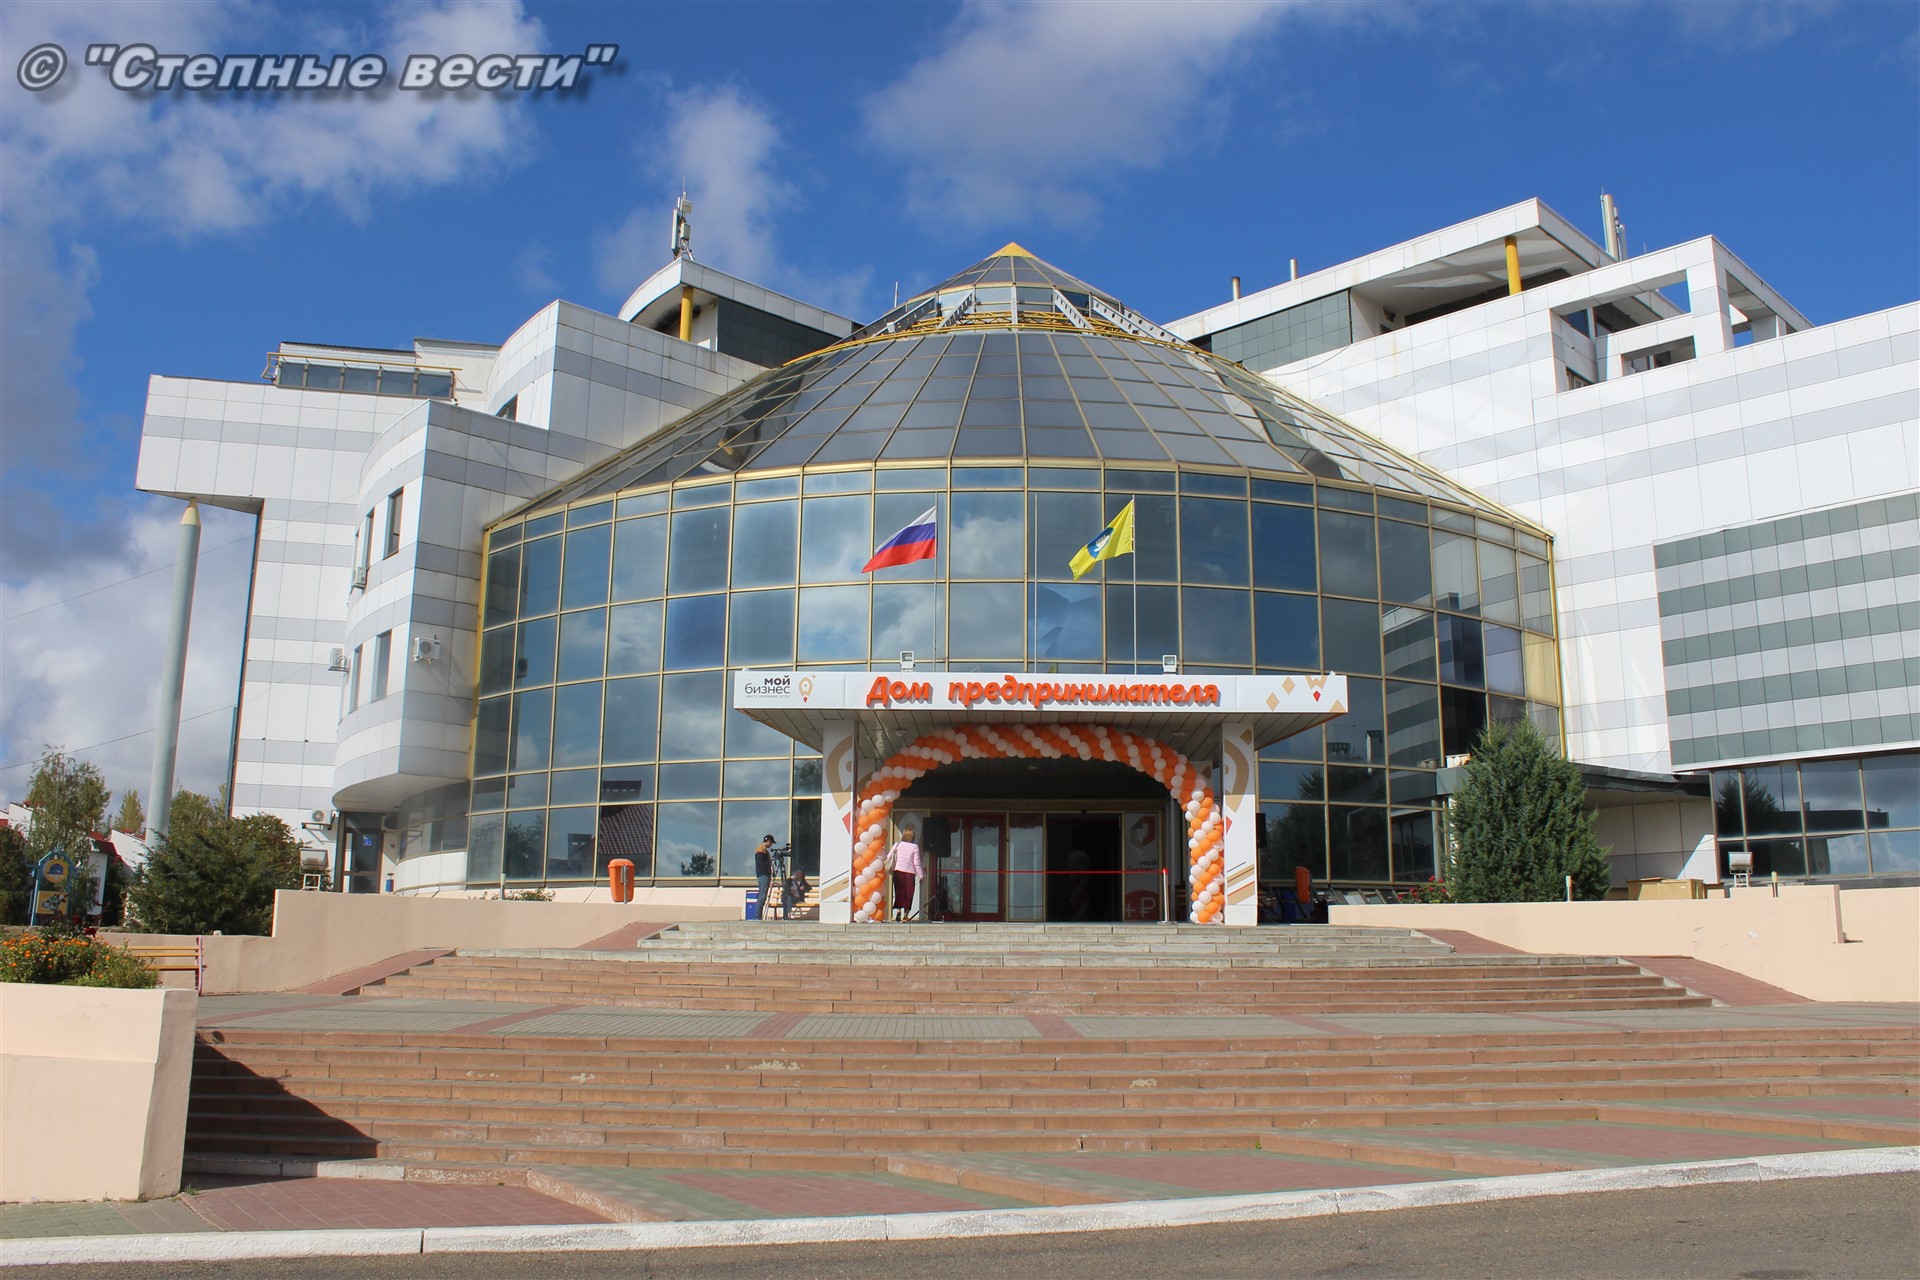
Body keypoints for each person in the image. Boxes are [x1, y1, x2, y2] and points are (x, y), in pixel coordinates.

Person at [885, 825, 921, 922]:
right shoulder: (915, 847)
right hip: (909, 874)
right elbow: (916, 863)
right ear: (913, 837)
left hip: (898, 873)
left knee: (899, 893)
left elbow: (888, 856)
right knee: (908, 894)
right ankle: (905, 916)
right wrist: (921, 875)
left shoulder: (897, 844)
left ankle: (898, 911)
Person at [754, 834, 777, 921]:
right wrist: (771, 861)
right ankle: (757, 916)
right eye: (771, 843)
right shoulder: (761, 849)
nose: (771, 845)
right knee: (762, 896)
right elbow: (761, 864)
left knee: (763, 896)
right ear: (768, 841)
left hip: (765, 875)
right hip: (763, 875)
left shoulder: (765, 851)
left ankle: (758, 916)